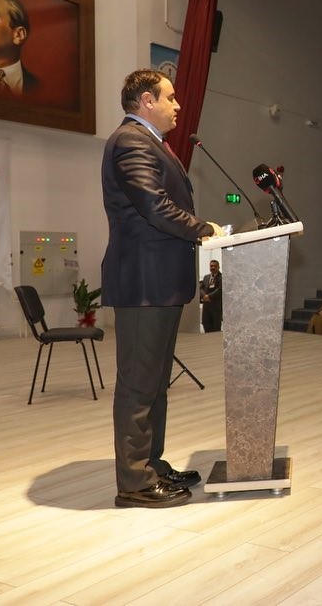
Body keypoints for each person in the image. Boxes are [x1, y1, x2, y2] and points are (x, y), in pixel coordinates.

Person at [101, 68, 225, 508]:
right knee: (138, 383)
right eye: (170, 98)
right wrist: (203, 228)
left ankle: (150, 464)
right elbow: (154, 205)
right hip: (143, 281)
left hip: (158, 281)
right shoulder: (131, 141)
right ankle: (133, 482)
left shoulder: (149, 143)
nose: (178, 106)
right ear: (146, 101)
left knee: (154, 382)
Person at [199, 259, 222, 332]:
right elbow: (201, 288)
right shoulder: (206, 277)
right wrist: (204, 296)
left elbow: (220, 289)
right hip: (206, 307)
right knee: (206, 325)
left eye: (215, 266)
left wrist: (209, 296)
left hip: (216, 307)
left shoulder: (221, 277)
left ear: (219, 267)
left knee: (216, 329)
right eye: (211, 266)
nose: (213, 267)